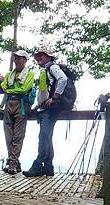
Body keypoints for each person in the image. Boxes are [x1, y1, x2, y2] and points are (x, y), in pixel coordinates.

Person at [23, 47, 75, 177]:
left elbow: (62, 79)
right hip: (45, 108)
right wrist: (38, 105)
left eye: (42, 55)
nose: (39, 57)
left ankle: (37, 166)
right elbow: (43, 91)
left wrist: (55, 97)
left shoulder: (52, 67)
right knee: (47, 137)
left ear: (49, 57)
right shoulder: (44, 70)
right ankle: (48, 167)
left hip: (51, 109)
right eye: (38, 56)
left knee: (44, 137)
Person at [0, 50, 35, 175]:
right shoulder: (9, 74)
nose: (18, 60)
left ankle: (12, 164)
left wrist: (10, 90)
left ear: (25, 60)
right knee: (8, 135)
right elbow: (2, 89)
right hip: (9, 104)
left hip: (22, 105)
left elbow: (25, 89)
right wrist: (4, 85)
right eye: (16, 58)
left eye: (20, 58)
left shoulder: (29, 74)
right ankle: (14, 162)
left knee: (18, 136)